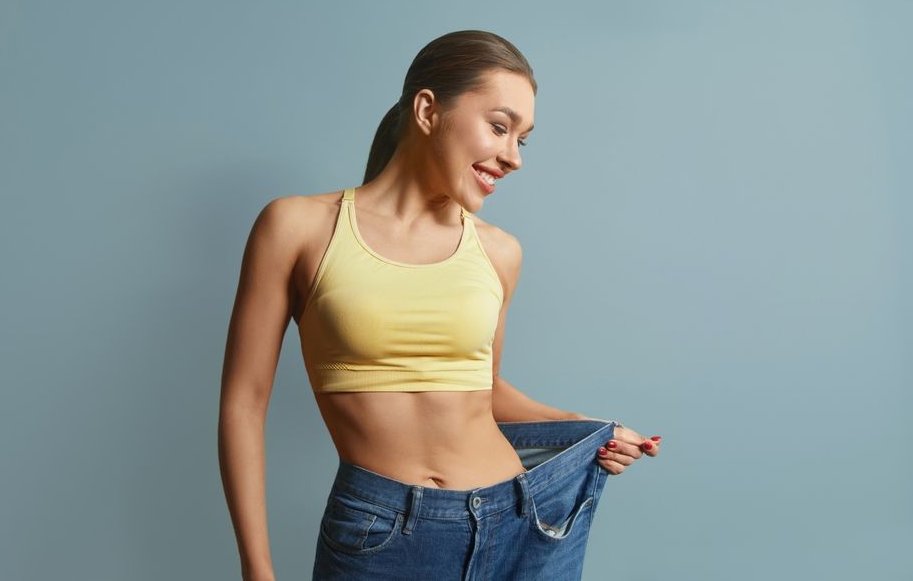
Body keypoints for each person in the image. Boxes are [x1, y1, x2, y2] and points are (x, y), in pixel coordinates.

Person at [218, 30, 662, 581]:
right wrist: (256, 570)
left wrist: (585, 427)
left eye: (523, 138)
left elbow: (486, 391)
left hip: (522, 521)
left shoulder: (499, 252)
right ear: (428, 110)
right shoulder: (298, 227)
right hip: (384, 538)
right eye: (499, 127)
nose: (514, 157)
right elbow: (244, 404)